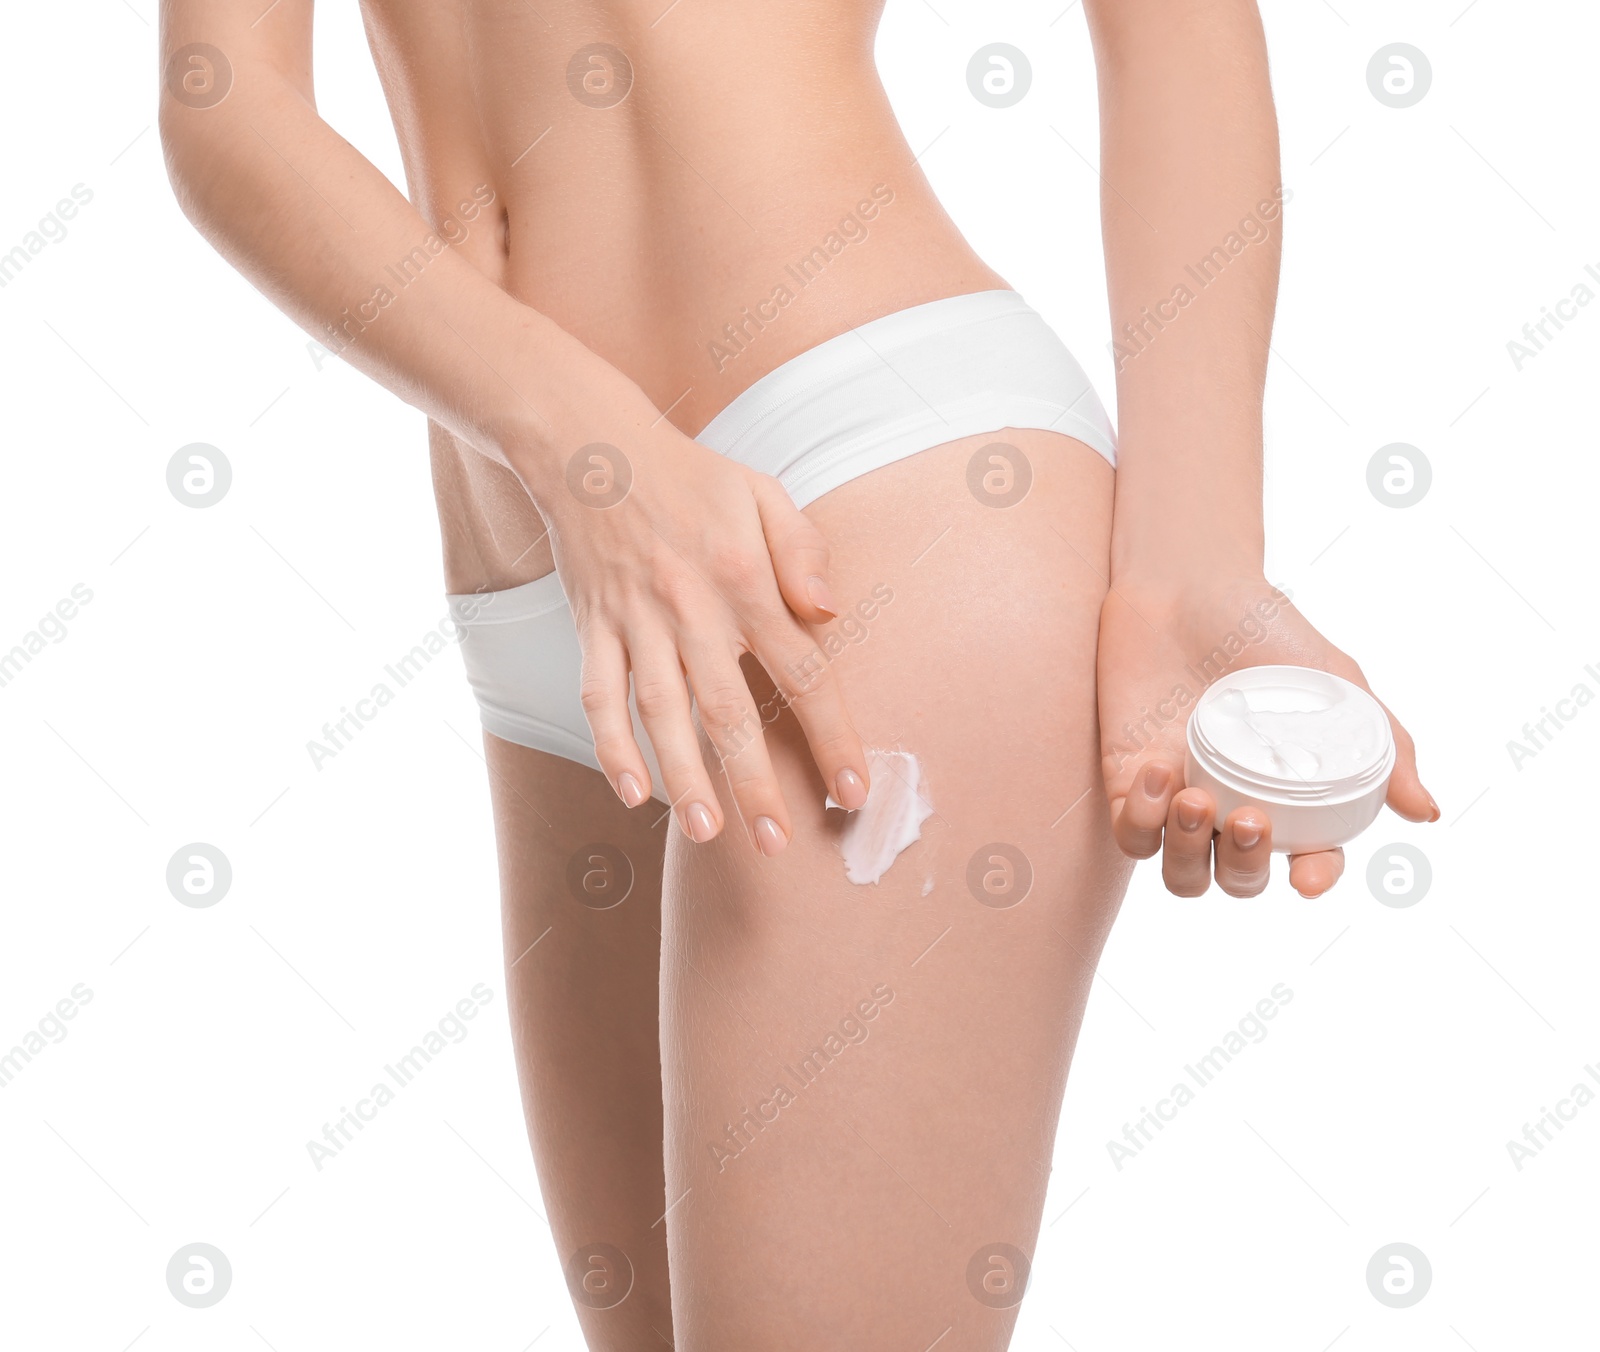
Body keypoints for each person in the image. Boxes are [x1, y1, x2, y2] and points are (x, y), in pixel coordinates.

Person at [159, 1, 1437, 1346]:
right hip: (550, 559)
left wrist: (1193, 563)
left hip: (871, 490)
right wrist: (582, 449)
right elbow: (226, 101)